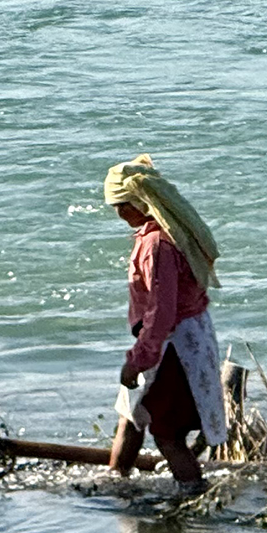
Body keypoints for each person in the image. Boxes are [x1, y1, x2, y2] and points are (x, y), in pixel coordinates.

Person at [101, 156, 229, 486]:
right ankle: (115, 481)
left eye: (120, 206)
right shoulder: (166, 233)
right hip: (179, 336)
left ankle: (194, 494)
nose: (118, 214)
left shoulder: (157, 245)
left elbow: (162, 313)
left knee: (167, 433)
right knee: (129, 416)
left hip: (174, 347)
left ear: (139, 204)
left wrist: (137, 360)